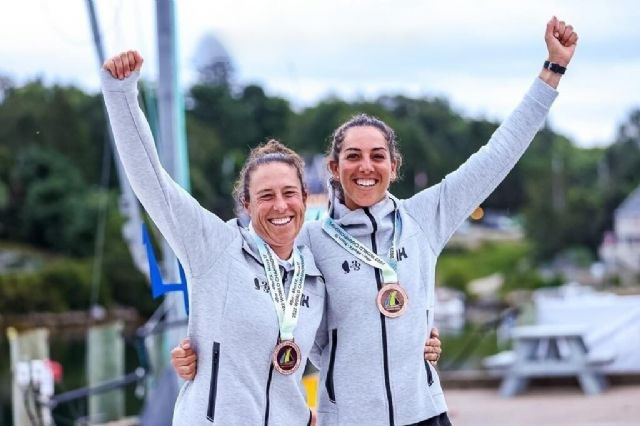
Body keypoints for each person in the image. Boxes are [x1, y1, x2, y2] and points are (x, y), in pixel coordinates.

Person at [173, 15, 577, 425]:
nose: (365, 166)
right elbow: (262, 313)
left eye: (377, 156)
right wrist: (198, 356)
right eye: (352, 156)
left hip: (425, 413)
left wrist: (553, 70)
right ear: (333, 167)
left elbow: (497, 155)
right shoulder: (308, 242)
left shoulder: (424, 219)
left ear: (393, 166)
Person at [102, 53, 326, 425]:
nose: (280, 206)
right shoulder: (214, 246)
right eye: (266, 196)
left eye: (289, 193)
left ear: (305, 197)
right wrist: (120, 92)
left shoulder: (315, 272)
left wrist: (422, 343)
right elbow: (151, 182)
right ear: (246, 203)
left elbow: (349, 341)